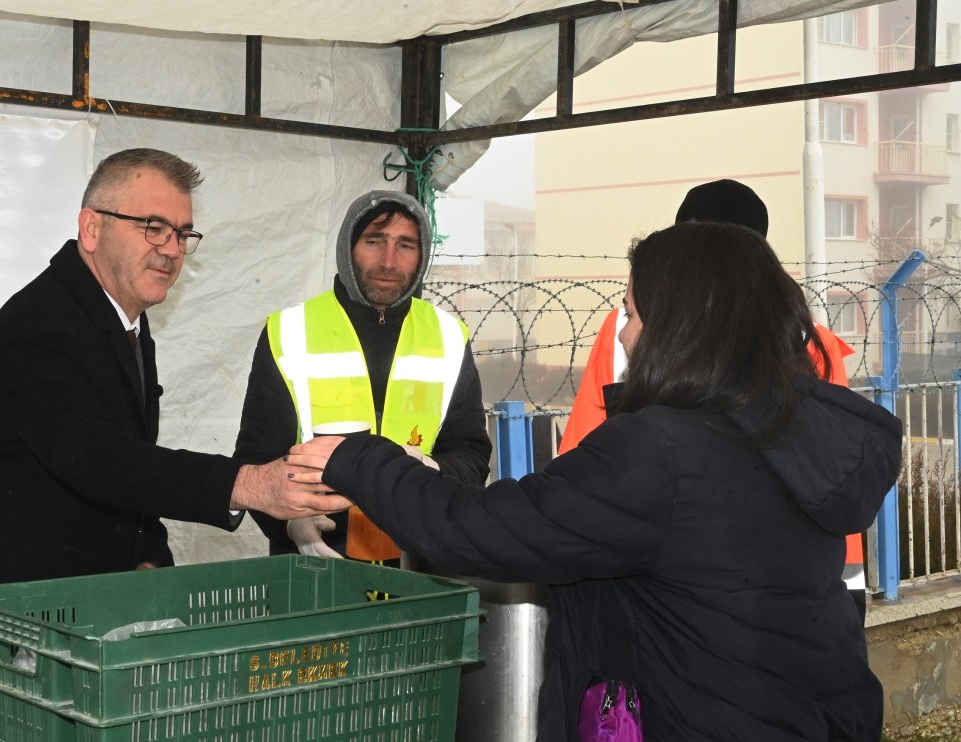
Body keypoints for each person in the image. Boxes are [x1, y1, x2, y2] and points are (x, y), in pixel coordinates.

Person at [290, 221, 902, 741]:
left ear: (683, 325)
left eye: (633, 313)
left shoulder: (663, 450)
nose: (626, 333)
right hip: (812, 711)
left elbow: (479, 533)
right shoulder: (792, 427)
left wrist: (360, 458)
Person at [0, 148, 351, 740]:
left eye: (182, 233)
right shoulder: (36, 327)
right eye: (153, 227)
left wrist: (149, 558)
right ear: (92, 227)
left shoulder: (125, 323)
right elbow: (97, 460)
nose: (170, 248)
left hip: (70, 661)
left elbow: (124, 478)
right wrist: (249, 483)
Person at [558, 178, 868, 617]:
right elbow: (831, 476)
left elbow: (580, 456)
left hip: (668, 569)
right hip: (786, 577)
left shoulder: (629, 327)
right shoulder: (805, 339)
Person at [234, 190, 491, 563]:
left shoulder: (449, 336)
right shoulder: (289, 330)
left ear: (422, 257)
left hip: (421, 557)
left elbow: (471, 455)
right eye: (374, 241)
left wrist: (430, 469)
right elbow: (256, 460)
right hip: (318, 561)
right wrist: (290, 527)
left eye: (405, 245)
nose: (388, 261)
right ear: (348, 247)